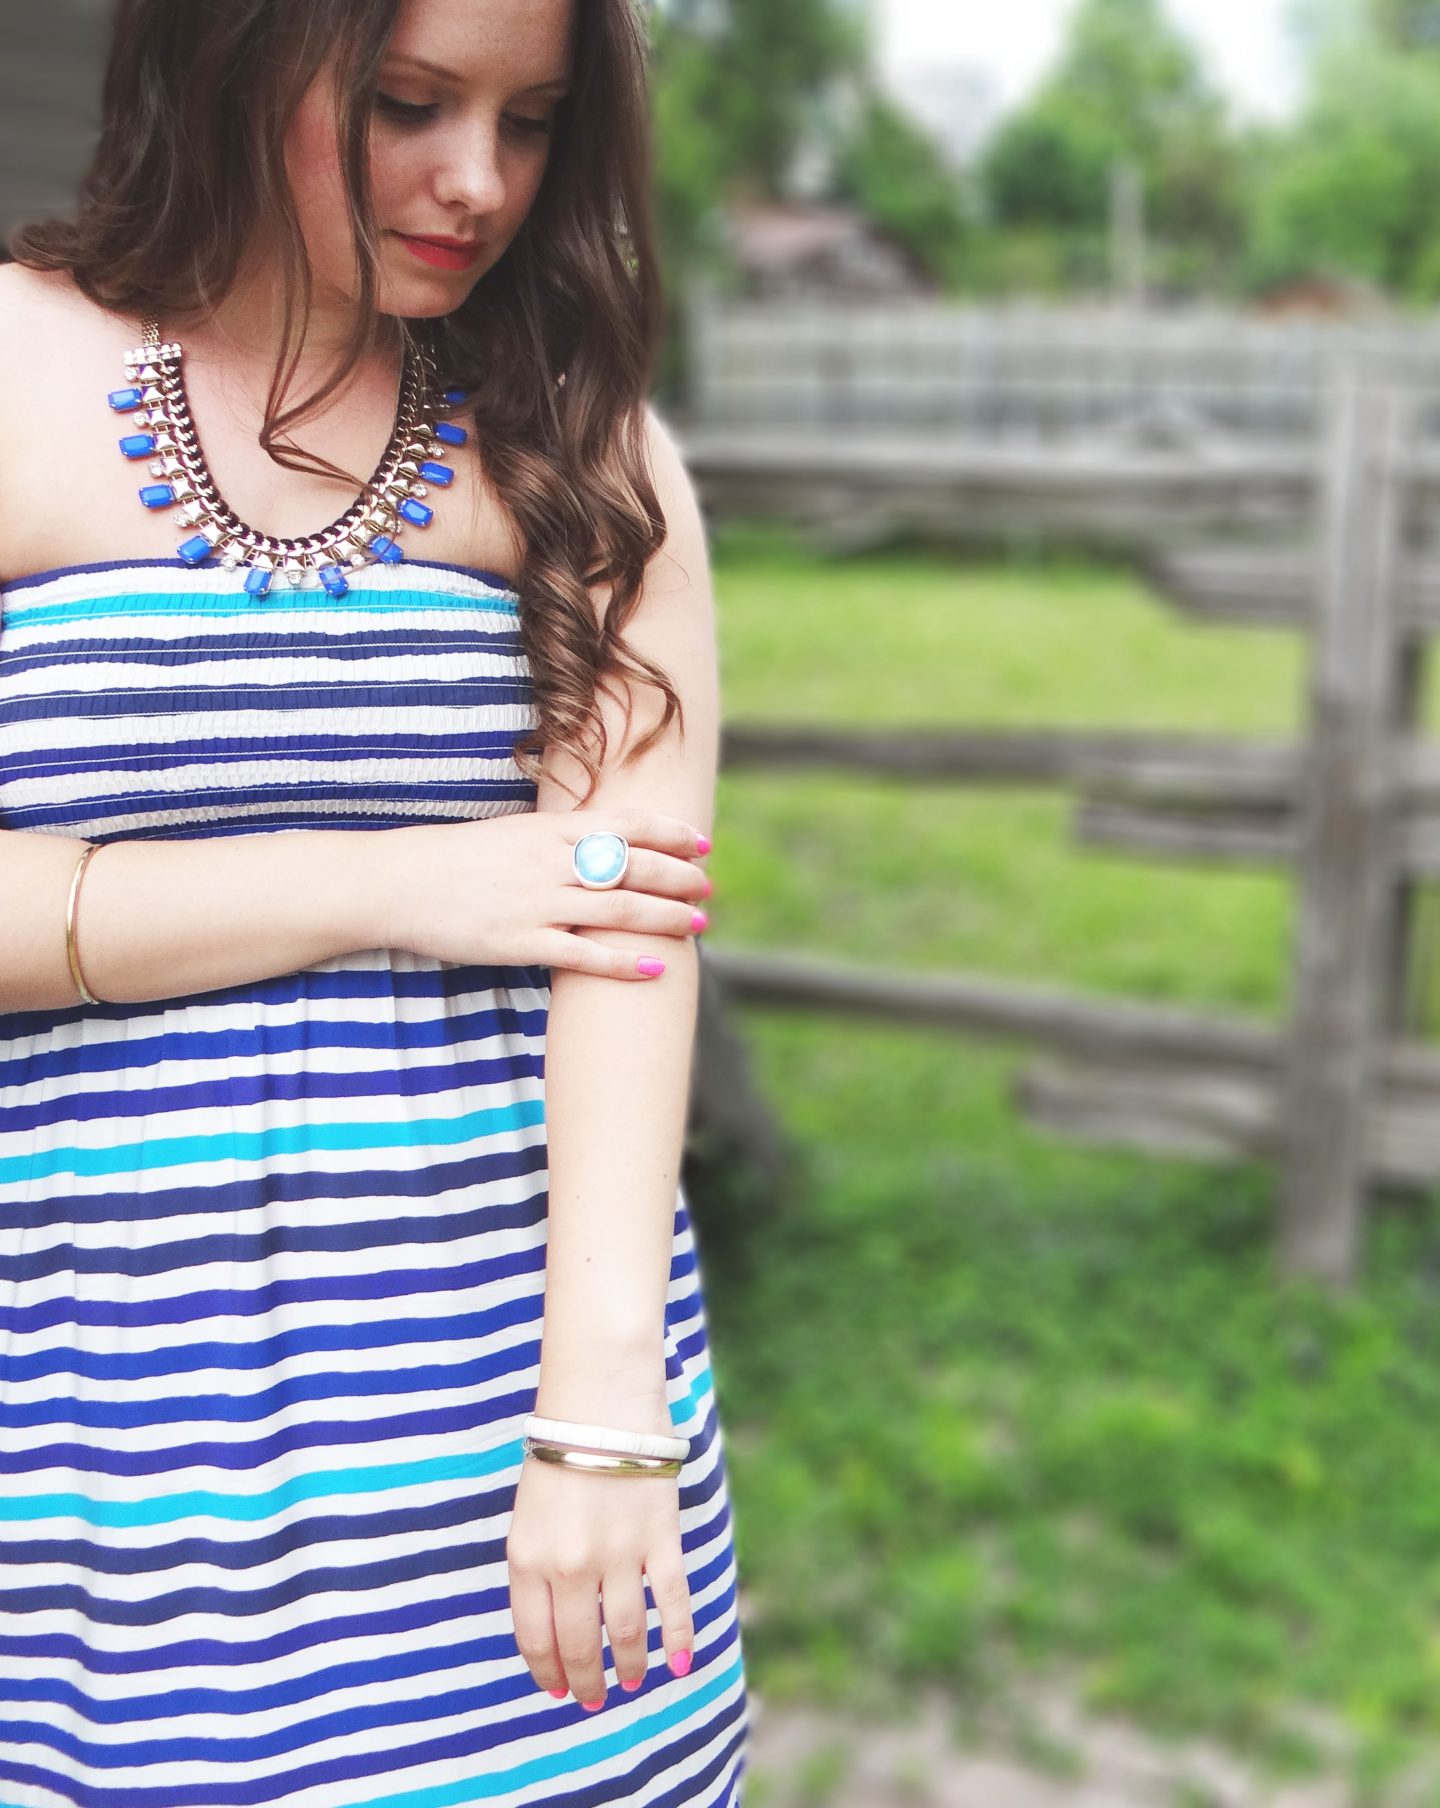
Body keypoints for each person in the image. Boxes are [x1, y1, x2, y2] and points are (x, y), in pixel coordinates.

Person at [0, 0, 749, 1801]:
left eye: (534, 120)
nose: (475, 181)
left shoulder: (586, 441)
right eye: (408, 104)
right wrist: (401, 881)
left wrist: (601, 1420)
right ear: (231, 52)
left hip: (525, 1419)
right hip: (96, 1432)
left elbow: (627, 935)